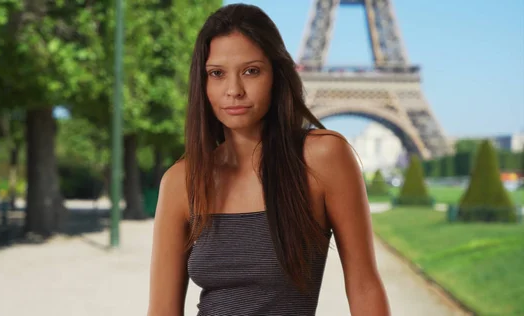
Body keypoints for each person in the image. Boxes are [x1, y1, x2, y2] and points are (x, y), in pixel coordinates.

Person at [148, 3, 390, 316]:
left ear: (276, 75)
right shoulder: (182, 180)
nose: (234, 90)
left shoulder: (322, 158)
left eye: (251, 71)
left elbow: (364, 286)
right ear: (203, 84)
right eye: (217, 74)